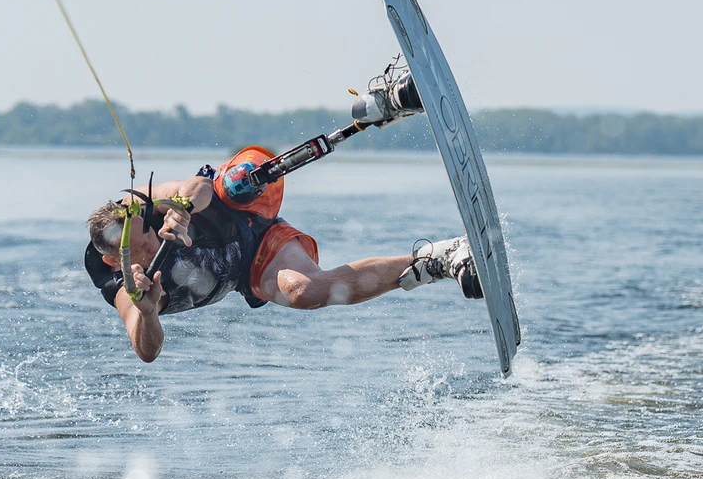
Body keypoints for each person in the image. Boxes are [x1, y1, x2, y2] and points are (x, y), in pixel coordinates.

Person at [84, 72, 481, 363]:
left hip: (235, 202)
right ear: (111, 258)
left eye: (149, 231)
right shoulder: (121, 284)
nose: (153, 239)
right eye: (141, 245)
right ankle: (439, 260)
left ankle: (380, 106)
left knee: (241, 180)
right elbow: (146, 349)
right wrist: (149, 310)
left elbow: (194, 187)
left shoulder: (141, 206)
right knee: (303, 292)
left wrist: (183, 210)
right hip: (252, 259)